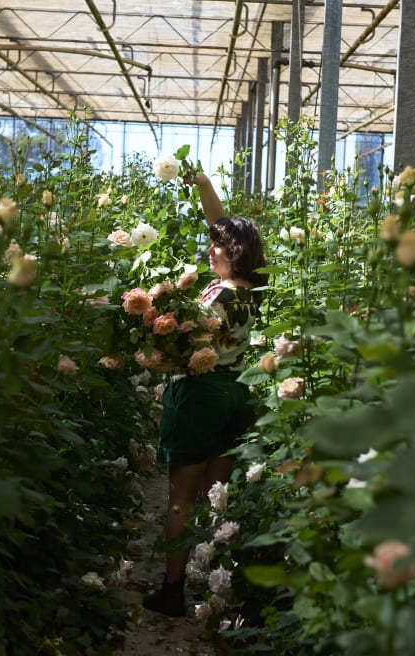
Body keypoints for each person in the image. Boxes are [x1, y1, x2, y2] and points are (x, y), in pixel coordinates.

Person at [142, 170, 268, 617]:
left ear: (233, 252)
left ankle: (173, 589)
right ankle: (218, 590)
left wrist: (154, 359)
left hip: (200, 395)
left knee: (181, 495)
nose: (210, 248)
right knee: (218, 496)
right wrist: (202, 185)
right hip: (237, 394)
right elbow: (222, 224)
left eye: (217, 246)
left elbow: (191, 350)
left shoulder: (219, 297)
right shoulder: (255, 288)